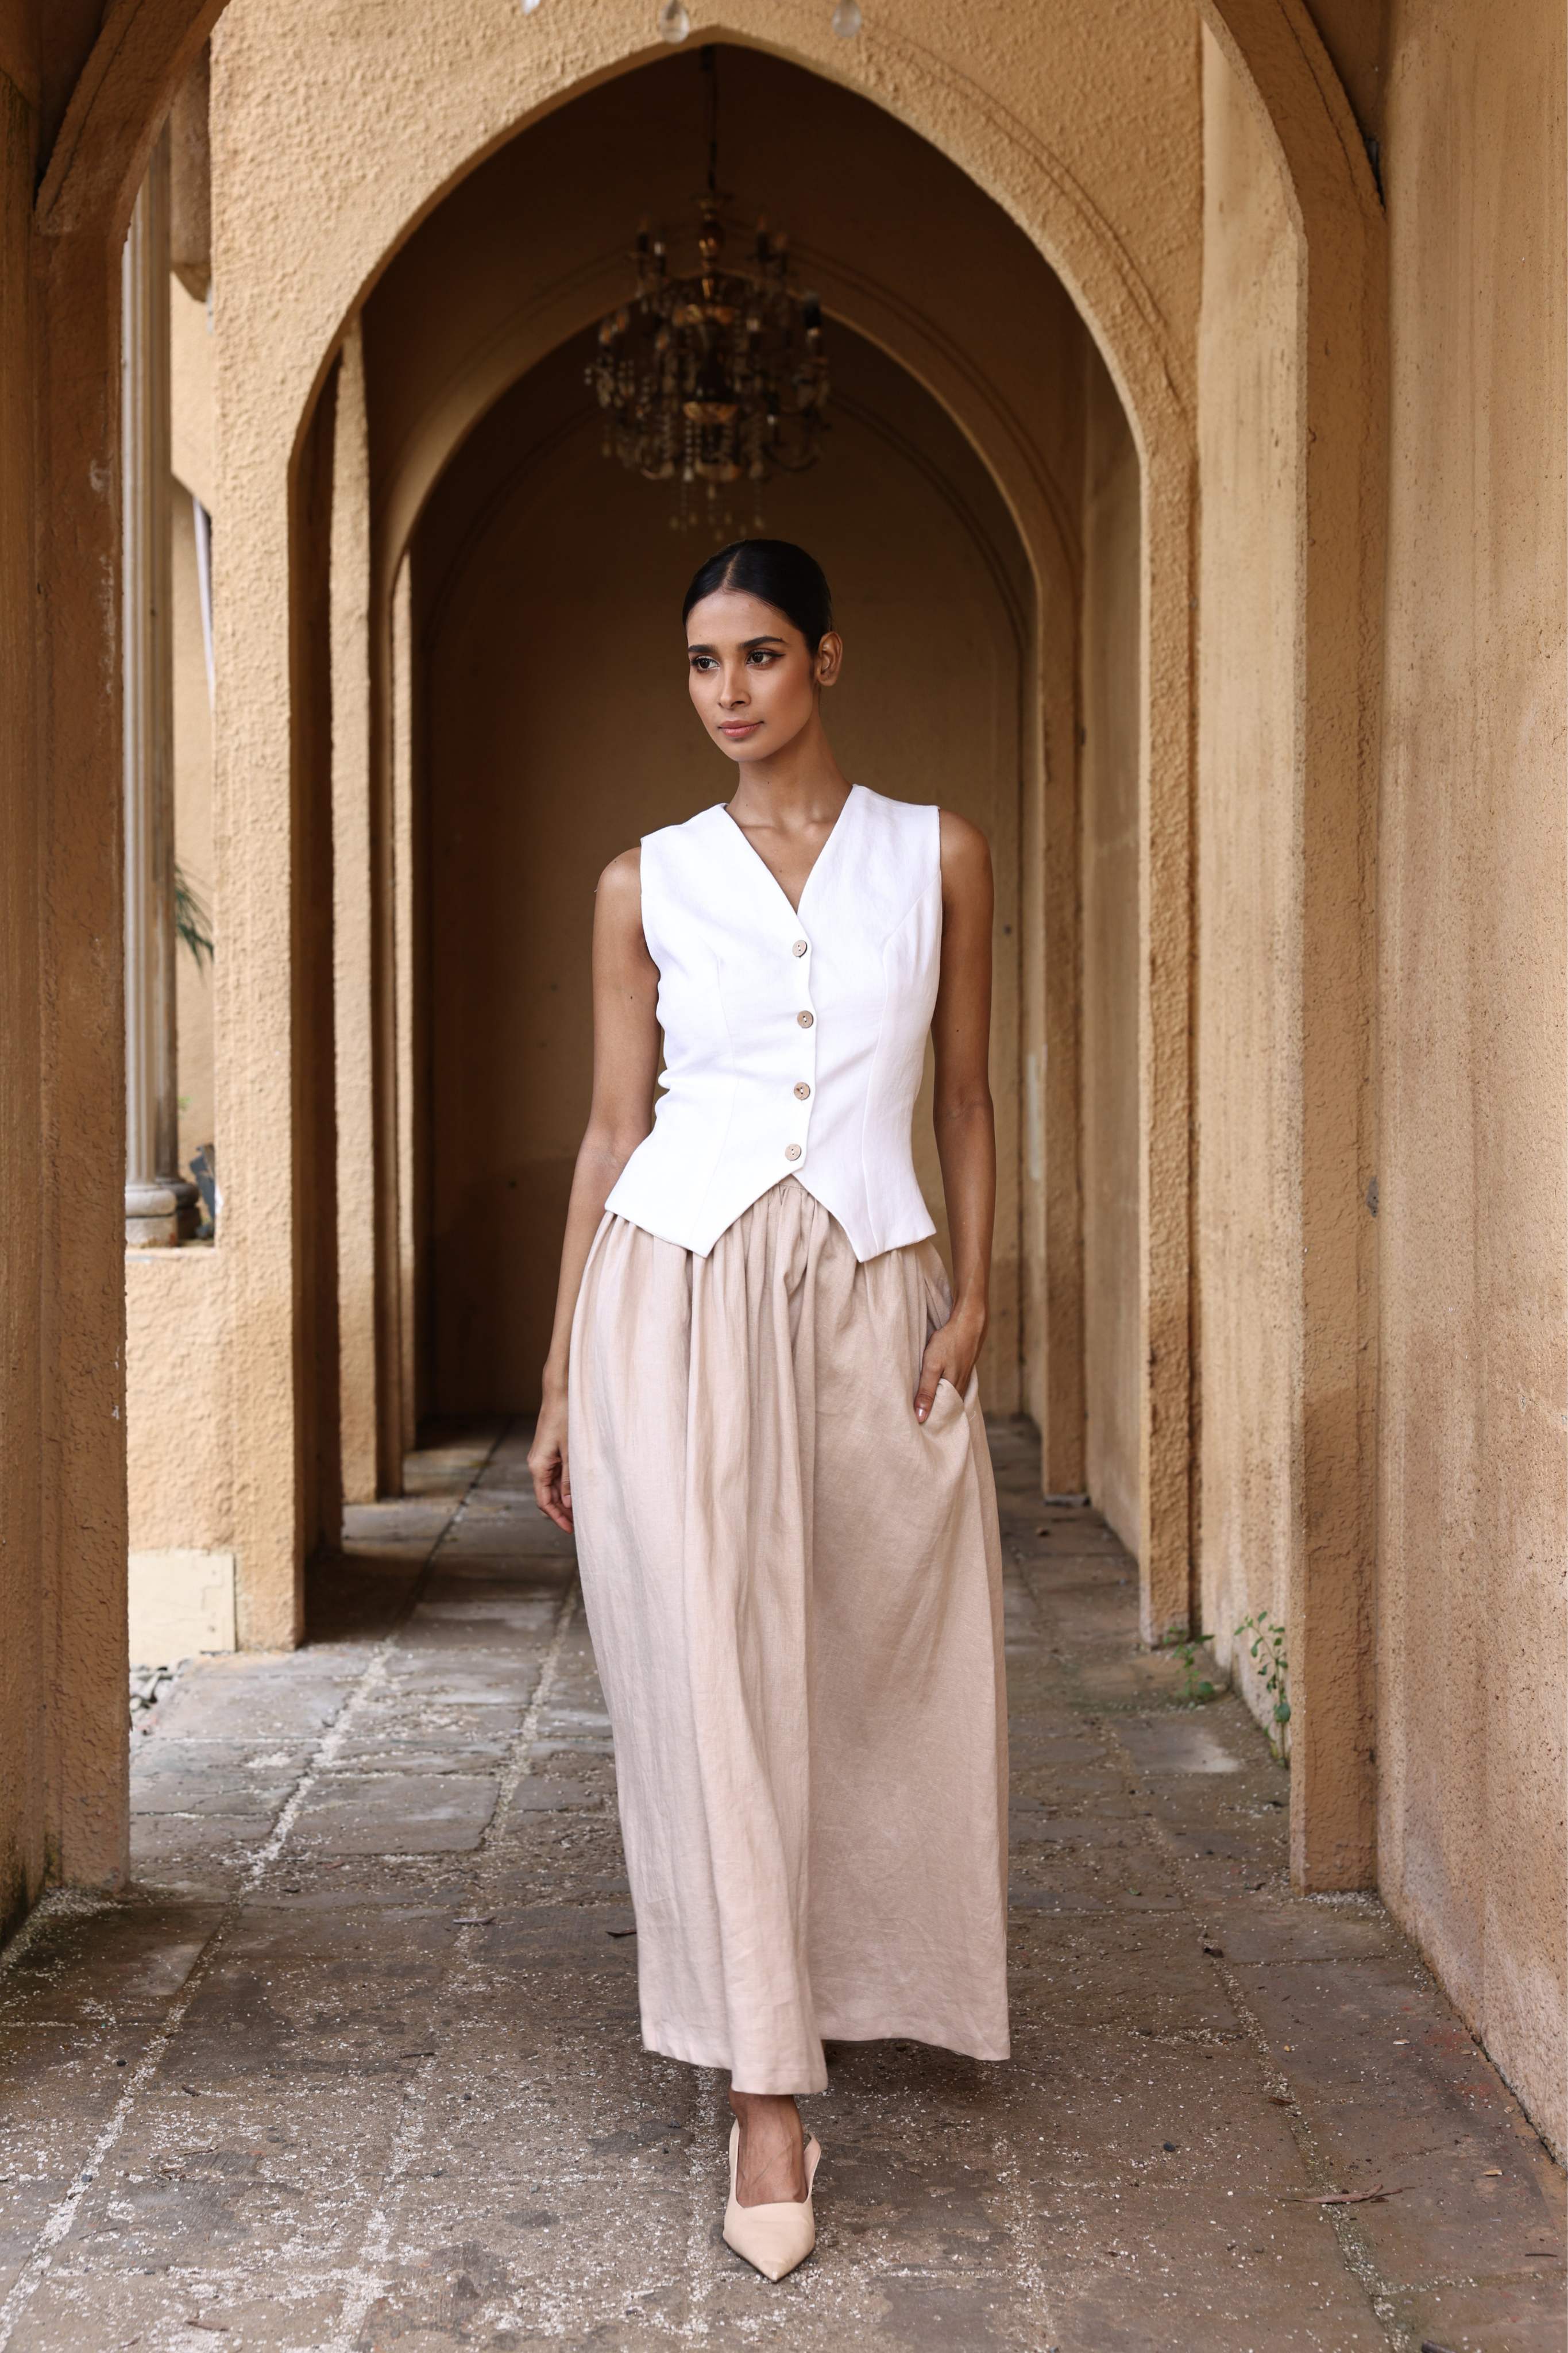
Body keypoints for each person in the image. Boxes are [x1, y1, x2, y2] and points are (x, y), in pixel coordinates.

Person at [527, 538, 1009, 2282]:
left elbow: (960, 1095)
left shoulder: (933, 855)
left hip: (872, 1287)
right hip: (675, 1289)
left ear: (826, 659)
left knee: (874, 1662)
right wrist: (563, 1364)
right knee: (711, 1677)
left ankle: (851, 1987)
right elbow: (606, 1132)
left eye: (756, 656)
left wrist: (976, 1293)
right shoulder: (637, 881)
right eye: (699, 664)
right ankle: (764, 2100)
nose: (726, 692)